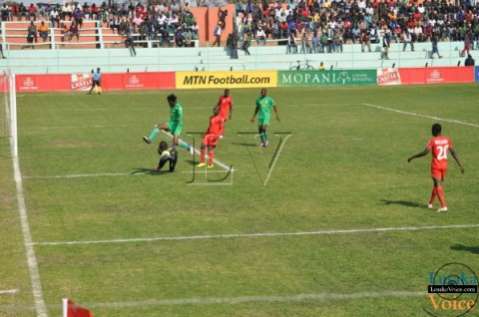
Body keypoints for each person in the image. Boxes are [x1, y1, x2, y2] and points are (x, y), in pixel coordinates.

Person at [407, 123, 464, 213]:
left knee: (437, 185)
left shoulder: (433, 140)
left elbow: (425, 152)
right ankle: (430, 203)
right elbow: (453, 152)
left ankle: (444, 206)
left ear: (434, 131)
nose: (431, 132)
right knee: (436, 184)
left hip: (436, 165)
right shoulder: (447, 139)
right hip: (444, 165)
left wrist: (413, 157)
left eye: (432, 130)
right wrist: (460, 165)